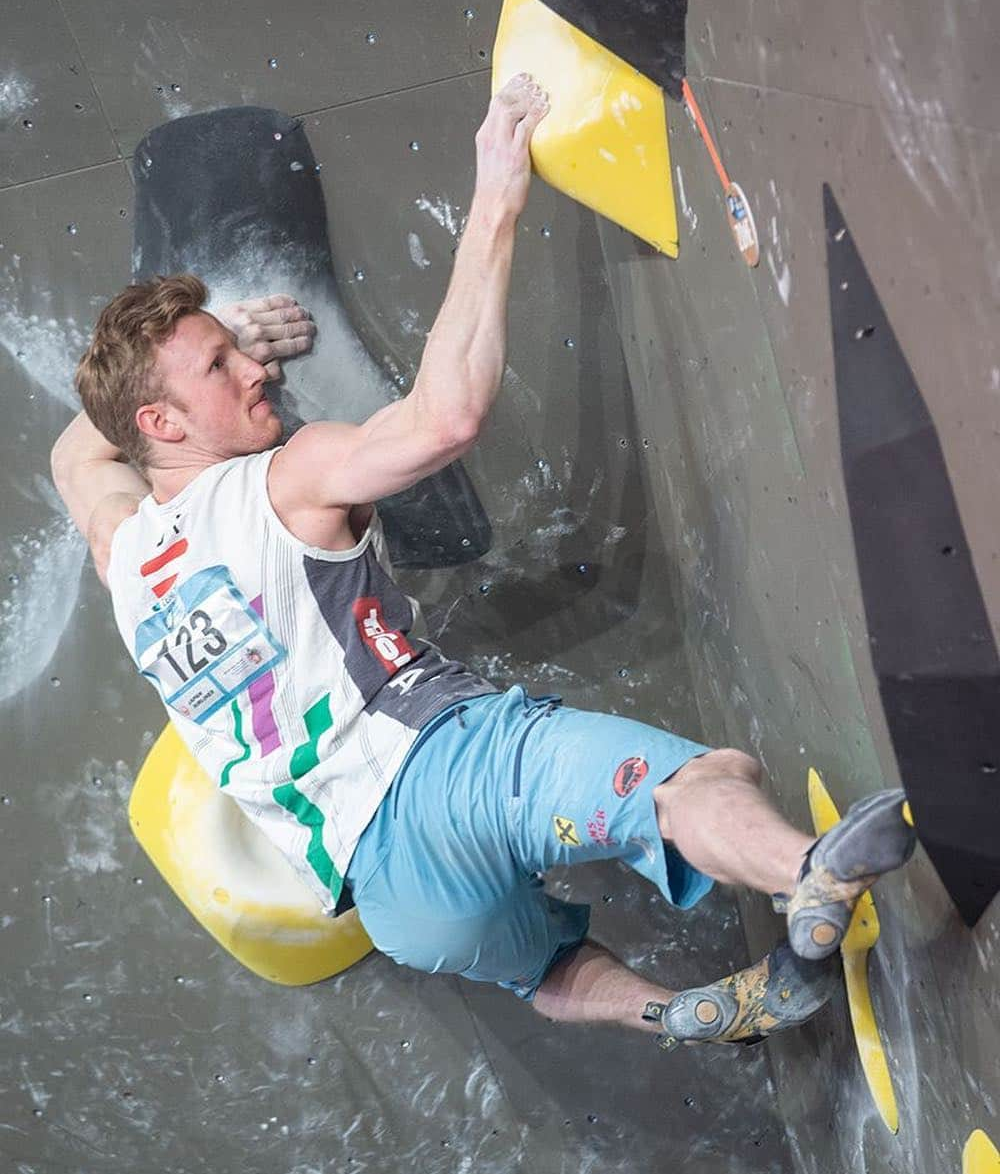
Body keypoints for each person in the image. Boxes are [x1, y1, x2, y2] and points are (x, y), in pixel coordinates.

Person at [51, 74, 915, 1049]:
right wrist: (497, 193)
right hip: (454, 766)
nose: (258, 369)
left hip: (390, 897)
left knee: (542, 969)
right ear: (159, 422)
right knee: (691, 787)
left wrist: (176, 358)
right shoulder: (285, 477)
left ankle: (674, 1010)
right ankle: (809, 873)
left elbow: (76, 454)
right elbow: (444, 418)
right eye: (222, 367)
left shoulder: (123, 554)